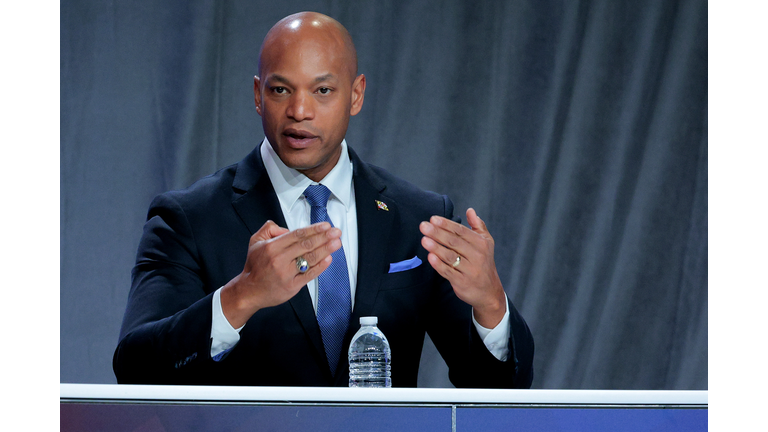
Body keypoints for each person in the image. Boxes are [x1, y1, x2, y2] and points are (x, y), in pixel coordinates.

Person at [113, 11, 534, 388]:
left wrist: (491, 301)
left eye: (322, 91)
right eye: (281, 91)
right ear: (258, 94)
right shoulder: (188, 218)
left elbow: (497, 390)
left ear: (355, 95)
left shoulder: (419, 219)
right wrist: (241, 296)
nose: (299, 110)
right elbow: (136, 368)